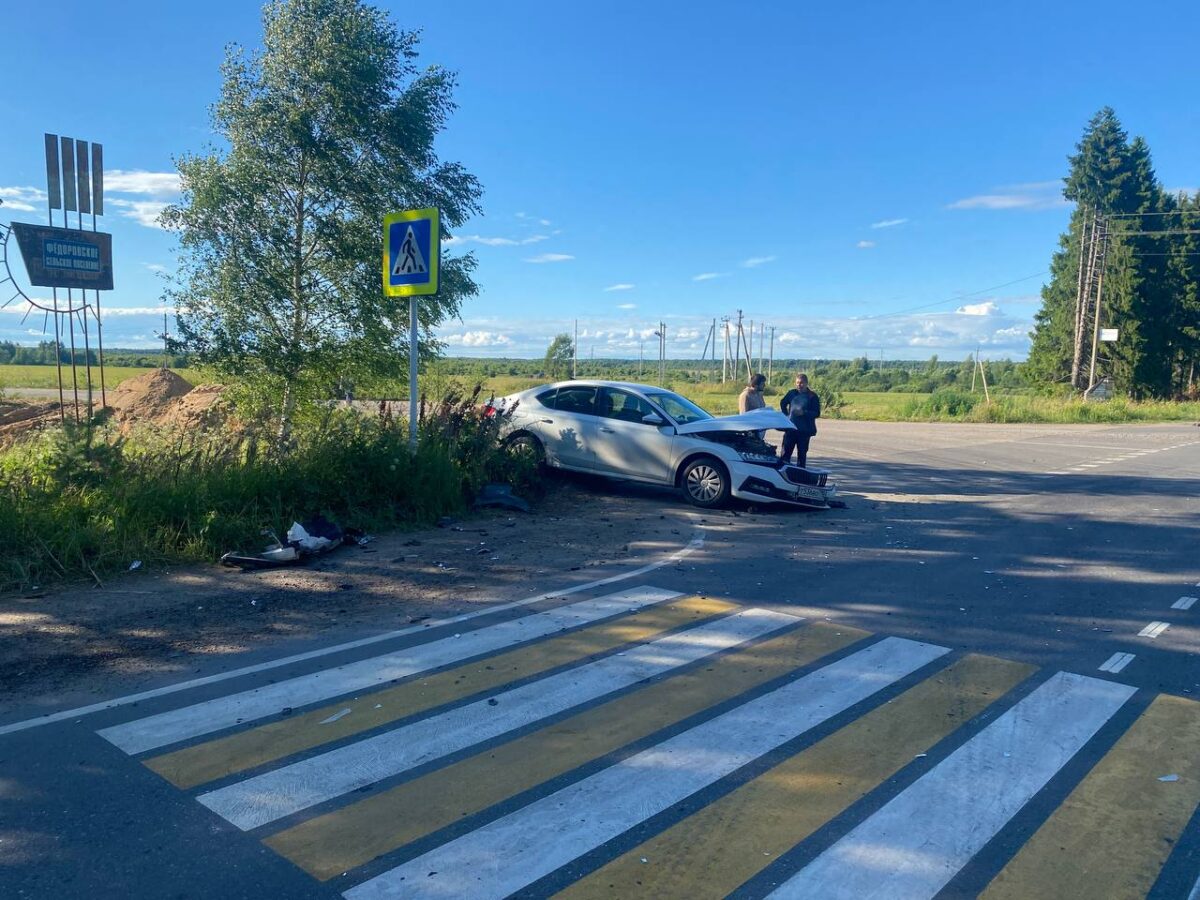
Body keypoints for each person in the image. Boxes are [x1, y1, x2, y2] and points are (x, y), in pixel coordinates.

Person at [779, 373, 820, 467]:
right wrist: (785, 415)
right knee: (785, 455)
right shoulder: (791, 393)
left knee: (802, 455)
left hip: (804, 430)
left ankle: (800, 475)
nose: (799, 385)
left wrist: (804, 413)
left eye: (801, 383)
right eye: (797, 383)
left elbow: (817, 413)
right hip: (791, 428)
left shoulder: (812, 396)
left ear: (806, 383)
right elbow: (783, 402)